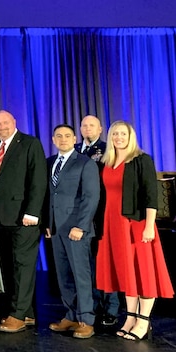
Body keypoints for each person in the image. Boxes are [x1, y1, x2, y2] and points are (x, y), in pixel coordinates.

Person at [96, 120, 174, 341]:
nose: (119, 137)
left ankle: (144, 321)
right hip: (113, 225)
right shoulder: (107, 161)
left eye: (123, 134)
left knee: (143, 272)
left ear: (131, 136)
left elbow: (151, 195)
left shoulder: (141, 160)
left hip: (136, 224)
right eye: (115, 134)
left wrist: (150, 226)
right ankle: (130, 318)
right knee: (127, 273)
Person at [0, 110, 47, 333]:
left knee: (23, 267)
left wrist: (32, 212)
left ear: (15, 122)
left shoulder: (30, 144)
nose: (2, 127)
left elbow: (38, 180)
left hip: (25, 218)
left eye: (5, 123)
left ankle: (18, 315)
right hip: (1, 218)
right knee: (10, 268)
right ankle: (28, 312)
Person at [44, 124, 100, 339]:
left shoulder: (85, 163)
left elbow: (91, 197)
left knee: (81, 275)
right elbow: (49, 196)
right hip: (56, 229)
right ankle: (71, 315)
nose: (63, 139)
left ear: (75, 138)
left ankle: (86, 319)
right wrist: (48, 224)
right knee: (63, 275)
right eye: (59, 136)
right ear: (53, 139)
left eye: (67, 136)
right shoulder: (50, 163)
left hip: (77, 228)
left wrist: (81, 226)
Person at [74, 115, 118, 327]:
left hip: (102, 214)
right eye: (84, 125)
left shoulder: (108, 150)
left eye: (92, 125)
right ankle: (91, 305)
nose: (87, 128)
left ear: (100, 129)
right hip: (78, 216)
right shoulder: (73, 149)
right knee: (87, 265)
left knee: (106, 262)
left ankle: (111, 308)